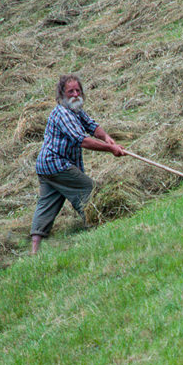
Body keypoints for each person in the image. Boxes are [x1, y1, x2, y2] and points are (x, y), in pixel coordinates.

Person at [30, 74, 126, 254]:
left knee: (47, 204)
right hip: (56, 165)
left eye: (78, 90)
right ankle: (96, 227)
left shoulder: (75, 110)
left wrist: (106, 137)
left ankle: (34, 251)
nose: (75, 94)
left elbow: (91, 125)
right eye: (70, 91)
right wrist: (110, 149)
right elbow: (81, 140)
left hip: (45, 168)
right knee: (89, 190)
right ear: (62, 95)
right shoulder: (62, 114)